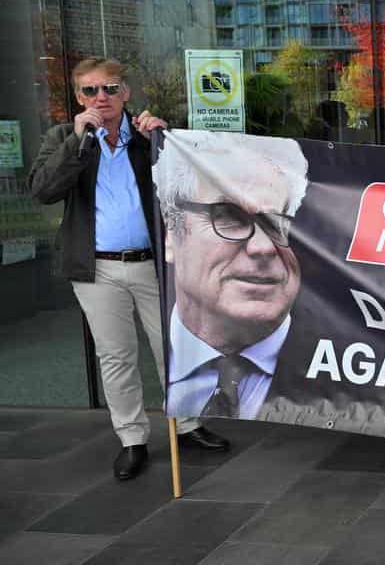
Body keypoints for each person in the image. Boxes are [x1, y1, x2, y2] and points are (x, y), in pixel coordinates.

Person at [28, 57, 229, 481]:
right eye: (90, 90)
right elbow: (44, 190)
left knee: (173, 350)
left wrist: (162, 138)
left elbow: (190, 187)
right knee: (117, 357)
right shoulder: (64, 137)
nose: (101, 97)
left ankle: (189, 426)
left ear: (126, 93)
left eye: (110, 88)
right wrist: (77, 142)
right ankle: (132, 439)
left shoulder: (146, 137)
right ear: (78, 97)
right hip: (97, 270)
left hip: (152, 266)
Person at [154, 131, 309, 422]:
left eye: (278, 222)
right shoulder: (158, 358)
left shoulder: (354, 372)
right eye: (227, 216)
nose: (263, 247)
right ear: (171, 237)